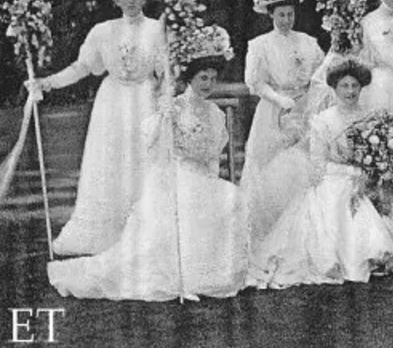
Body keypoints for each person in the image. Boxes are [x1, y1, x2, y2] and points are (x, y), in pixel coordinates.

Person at [47, 25, 249, 301]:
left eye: (213, 79)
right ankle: (183, 274)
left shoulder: (215, 112)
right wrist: (166, 124)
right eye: (203, 77)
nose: (208, 84)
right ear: (190, 78)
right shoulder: (174, 108)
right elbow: (155, 152)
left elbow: (213, 156)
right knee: (194, 202)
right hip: (177, 176)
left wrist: (211, 180)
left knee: (231, 198)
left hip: (204, 178)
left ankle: (210, 272)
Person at [26, 0, 166, 256]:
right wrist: (46, 82)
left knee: (145, 161)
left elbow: (167, 72)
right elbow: (82, 67)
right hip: (112, 103)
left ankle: (147, 232)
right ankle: (110, 233)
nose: (131, 0)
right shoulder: (102, 32)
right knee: (110, 164)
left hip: (145, 99)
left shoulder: (158, 29)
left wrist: (165, 98)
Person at [248, 59, 393, 289]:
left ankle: (371, 254)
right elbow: (319, 162)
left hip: (367, 175)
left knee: (379, 190)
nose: (350, 91)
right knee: (340, 190)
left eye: (354, 86)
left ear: (362, 88)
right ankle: (345, 258)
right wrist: (352, 173)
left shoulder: (373, 117)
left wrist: (373, 170)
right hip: (333, 176)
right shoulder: (324, 120)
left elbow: (380, 156)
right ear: (335, 88)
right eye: (344, 86)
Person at [240, 0, 324, 245]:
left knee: (303, 165)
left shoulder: (308, 42)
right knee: (270, 168)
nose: (286, 19)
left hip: (305, 107)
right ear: (271, 15)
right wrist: (278, 99)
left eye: (290, 14)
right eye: (280, 15)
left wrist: (310, 101)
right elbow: (255, 83)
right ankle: (267, 231)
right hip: (273, 110)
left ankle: (299, 233)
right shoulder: (260, 45)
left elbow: (321, 75)